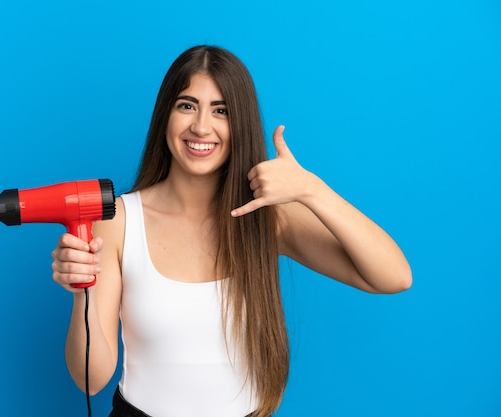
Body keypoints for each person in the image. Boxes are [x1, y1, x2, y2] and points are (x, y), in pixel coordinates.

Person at [51, 45, 412, 417]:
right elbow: (90, 380)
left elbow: (394, 277)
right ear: (165, 116)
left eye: (220, 110)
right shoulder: (117, 222)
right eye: (187, 105)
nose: (201, 126)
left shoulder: (269, 219)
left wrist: (311, 190)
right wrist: (83, 290)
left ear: (240, 122)